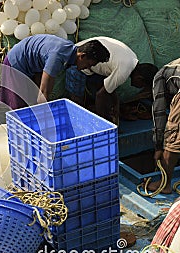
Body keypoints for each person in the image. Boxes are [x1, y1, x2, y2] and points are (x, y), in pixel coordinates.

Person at [0, 34, 110, 110]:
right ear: (82, 56)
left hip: (32, 66)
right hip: (16, 63)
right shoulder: (58, 56)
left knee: (31, 102)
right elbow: (44, 92)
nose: (88, 68)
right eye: (89, 64)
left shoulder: (69, 51)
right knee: (18, 108)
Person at [66, 36, 158, 123]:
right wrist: (103, 122)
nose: (139, 87)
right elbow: (100, 95)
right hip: (79, 60)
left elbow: (110, 88)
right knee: (77, 103)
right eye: (142, 86)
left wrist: (116, 108)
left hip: (89, 58)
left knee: (106, 96)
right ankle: (78, 122)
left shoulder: (132, 59)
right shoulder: (123, 71)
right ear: (140, 78)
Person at [143, 58, 180, 194]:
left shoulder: (159, 78)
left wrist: (158, 146)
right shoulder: (173, 68)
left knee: (173, 139)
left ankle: (165, 184)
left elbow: (159, 113)